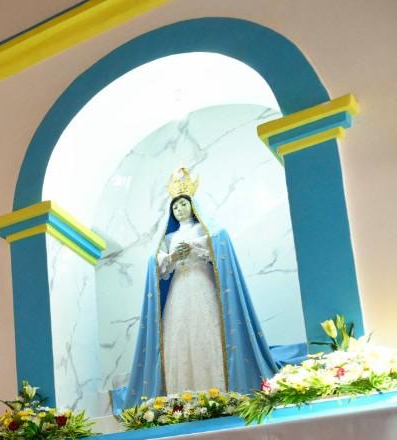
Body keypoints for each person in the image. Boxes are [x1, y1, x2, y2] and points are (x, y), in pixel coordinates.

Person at [117, 166, 278, 409]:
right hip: (179, 290)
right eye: (175, 207)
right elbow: (157, 264)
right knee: (179, 338)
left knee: (207, 333)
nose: (179, 209)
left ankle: (218, 394)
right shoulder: (168, 239)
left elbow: (218, 247)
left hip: (202, 284)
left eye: (183, 204)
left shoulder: (205, 229)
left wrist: (195, 247)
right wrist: (172, 257)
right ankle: (182, 399)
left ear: (193, 205)